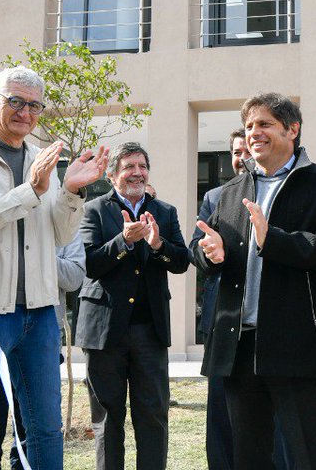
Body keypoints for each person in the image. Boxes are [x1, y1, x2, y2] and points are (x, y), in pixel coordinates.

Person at [0, 66, 108, 470]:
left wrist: (71, 191)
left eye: (33, 105)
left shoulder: (39, 157)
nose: (24, 112)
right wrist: (30, 190)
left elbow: (61, 236)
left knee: (46, 430)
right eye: (14, 100)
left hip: (40, 313)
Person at [193, 92, 316, 470]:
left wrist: (271, 239)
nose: (253, 133)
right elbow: (202, 250)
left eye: (264, 124)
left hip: (296, 340)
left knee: (311, 451)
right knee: (248, 455)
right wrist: (207, 255)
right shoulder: (229, 193)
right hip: (238, 344)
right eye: (249, 126)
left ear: (292, 129)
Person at [76, 142, 190, 470]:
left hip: (150, 332)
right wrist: (124, 241)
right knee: (107, 421)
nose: (137, 172)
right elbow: (89, 264)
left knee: (153, 416)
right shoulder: (94, 210)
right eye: (128, 166)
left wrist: (157, 244)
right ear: (113, 175)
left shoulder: (164, 211)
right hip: (104, 332)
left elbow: (181, 261)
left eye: (142, 166)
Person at [189, 129, 294, 470]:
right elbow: (196, 250)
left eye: (247, 148)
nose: (241, 156)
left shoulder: (280, 193)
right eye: (236, 151)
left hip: (272, 322)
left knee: (271, 414)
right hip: (225, 322)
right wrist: (211, 254)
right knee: (222, 411)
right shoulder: (216, 197)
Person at [0, 231, 86, 469]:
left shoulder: (65, 223)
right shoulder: (3, 213)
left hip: (42, 336)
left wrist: (35, 253)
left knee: (32, 433)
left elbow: (74, 277)